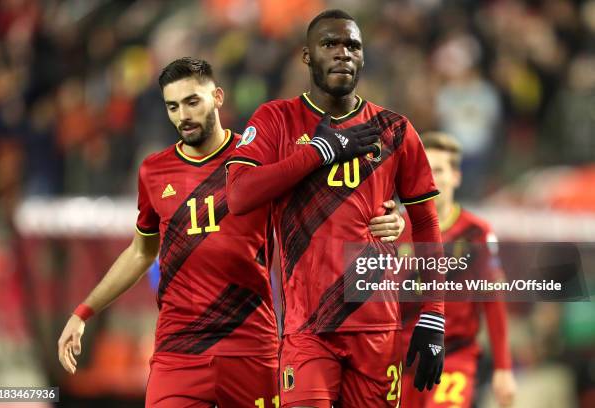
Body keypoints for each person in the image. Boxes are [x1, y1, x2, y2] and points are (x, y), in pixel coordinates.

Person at [57, 57, 407, 408]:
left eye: (192, 102)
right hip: (180, 350)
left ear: (218, 97)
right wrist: (83, 312)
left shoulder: (260, 164)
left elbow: (328, 215)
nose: (183, 116)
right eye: (173, 107)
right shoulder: (153, 171)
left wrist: (392, 219)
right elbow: (140, 252)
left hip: (252, 346)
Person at [226, 10, 446, 408]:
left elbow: (427, 223)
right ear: (307, 56)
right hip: (307, 328)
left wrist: (433, 314)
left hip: (376, 327)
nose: (343, 53)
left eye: (353, 46)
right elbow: (239, 196)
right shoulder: (277, 119)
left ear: (363, 58)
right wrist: (318, 153)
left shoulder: (394, 129)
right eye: (330, 44)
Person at [398, 131, 516, 408]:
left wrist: (503, 367)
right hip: (399, 363)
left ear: (456, 176)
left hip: (453, 357)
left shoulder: (476, 233)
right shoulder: (396, 230)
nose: (429, 177)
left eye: (438, 170)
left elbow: (494, 300)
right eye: (423, 169)